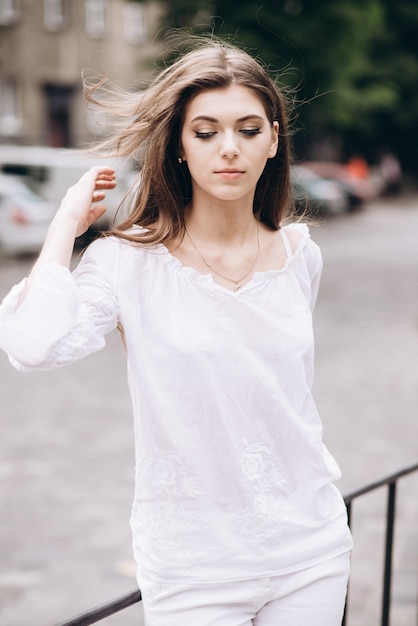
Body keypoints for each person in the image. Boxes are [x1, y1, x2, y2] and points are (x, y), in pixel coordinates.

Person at [0, 39, 353, 626]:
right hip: (195, 569)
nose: (229, 149)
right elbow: (31, 347)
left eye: (247, 129)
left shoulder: (299, 254)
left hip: (311, 549)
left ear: (273, 138)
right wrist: (65, 224)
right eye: (206, 131)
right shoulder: (126, 264)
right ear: (180, 148)